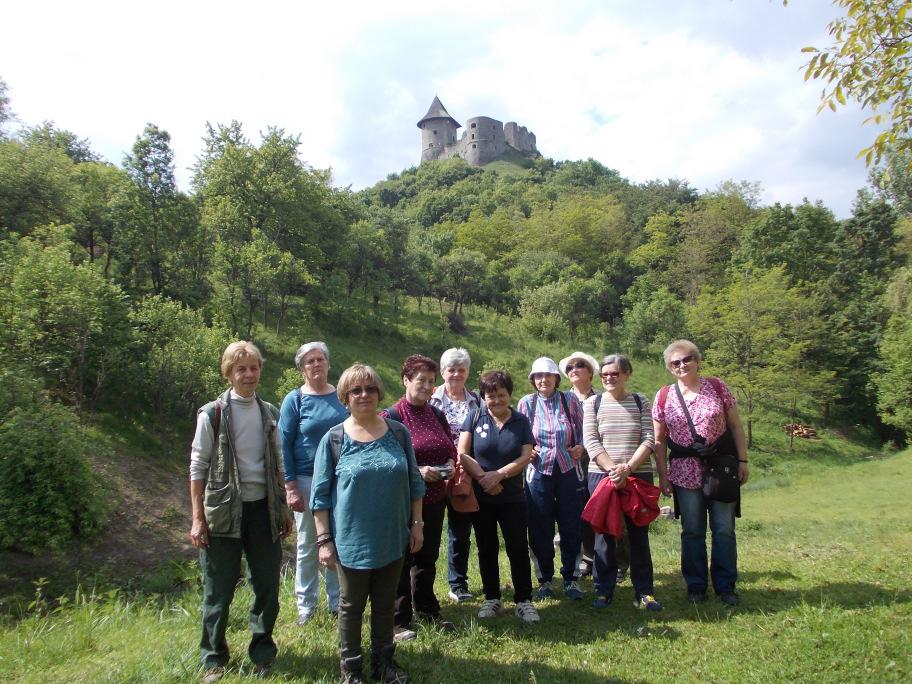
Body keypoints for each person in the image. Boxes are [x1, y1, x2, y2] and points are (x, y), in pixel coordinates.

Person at [311, 364, 425, 684]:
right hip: (351, 541)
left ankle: (383, 663)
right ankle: (351, 670)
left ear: (379, 393)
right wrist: (324, 540)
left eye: (370, 389)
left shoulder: (398, 433)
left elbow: (414, 482)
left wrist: (416, 524)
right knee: (351, 606)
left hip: (392, 536)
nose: (364, 395)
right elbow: (319, 497)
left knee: (385, 603)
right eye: (356, 391)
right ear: (345, 397)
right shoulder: (333, 439)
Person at [189, 341, 293, 683]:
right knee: (217, 589)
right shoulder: (212, 414)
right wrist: (196, 518)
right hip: (222, 514)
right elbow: (198, 468)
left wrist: (284, 506)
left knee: (266, 586)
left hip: (263, 511)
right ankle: (213, 657)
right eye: (241, 369)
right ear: (229, 373)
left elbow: (278, 463)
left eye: (254, 368)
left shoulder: (271, 413)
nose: (248, 375)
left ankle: (262, 652)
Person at [652, 340, 749, 606]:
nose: (682, 365)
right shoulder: (663, 397)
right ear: (670, 368)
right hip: (684, 472)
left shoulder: (717, 387)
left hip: (719, 468)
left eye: (686, 360)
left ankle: (725, 586)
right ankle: (695, 586)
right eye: (675, 363)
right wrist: (662, 476)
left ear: (697, 360)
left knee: (723, 528)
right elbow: (659, 441)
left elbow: (736, 427)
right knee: (692, 530)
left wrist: (743, 460)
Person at [381, 354, 458, 640]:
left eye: (431, 381)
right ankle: (398, 620)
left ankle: (427, 610)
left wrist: (450, 463)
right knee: (401, 559)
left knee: (427, 557)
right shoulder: (391, 417)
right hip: (402, 501)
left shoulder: (436, 413)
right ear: (405, 380)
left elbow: (450, 446)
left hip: (435, 498)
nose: (426, 386)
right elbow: (384, 461)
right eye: (420, 380)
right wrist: (418, 470)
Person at [456, 370, 539, 624]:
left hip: (512, 496)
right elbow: (463, 452)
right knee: (486, 547)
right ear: (483, 397)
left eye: (501, 395)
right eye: (491, 396)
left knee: (517, 547)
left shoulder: (521, 421)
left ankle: (524, 600)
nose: (497, 400)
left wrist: (499, 475)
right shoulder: (474, 417)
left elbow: (526, 455)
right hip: (482, 497)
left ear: (509, 395)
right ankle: (492, 597)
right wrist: (484, 478)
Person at [582, 354, 661, 611]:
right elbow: (591, 441)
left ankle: (644, 592)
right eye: (604, 375)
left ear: (627, 374)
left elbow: (649, 438)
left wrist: (627, 468)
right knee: (604, 535)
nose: (608, 378)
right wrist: (613, 470)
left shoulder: (640, 401)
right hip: (602, 475)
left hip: (637, 474)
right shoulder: (592, 403)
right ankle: (603, 591)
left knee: (638, 534)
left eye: (614, 374)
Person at [279, 341, 347, 625]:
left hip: (341, 478)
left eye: (320, 359)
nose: (316, 365)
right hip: (307, 480)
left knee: (338, 541)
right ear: (301, 368)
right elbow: (283, 442)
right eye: (310, 361)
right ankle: (305, 606)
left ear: (328, 363)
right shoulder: (294, 400)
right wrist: (290, 485)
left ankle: (337, 602)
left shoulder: (341, 395)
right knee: (308, 544)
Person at [517, 357, 586, 601]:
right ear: (533, 380)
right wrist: (528, 449)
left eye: (548, 375)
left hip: (568, 470)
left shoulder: (570, 400)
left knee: (571, 525)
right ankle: (545, 579)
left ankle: (571, 578)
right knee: (538, 527)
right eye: (538, 376)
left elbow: (585, 430)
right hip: (538, 472)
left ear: (557, 378)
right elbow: (520, 435)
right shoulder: (527, 403)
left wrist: (581, 447)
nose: (543, 380)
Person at [429, 347, 481, 603]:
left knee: (460, 531)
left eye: (461, 370)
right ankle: (424, 586)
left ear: (468, 372)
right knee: (430, 531)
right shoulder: (430, 400)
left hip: (465, 475)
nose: (456, 374)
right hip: (434, 474)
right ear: (442, 372)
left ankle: (457, 583)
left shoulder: (477, 401)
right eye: (451, 370)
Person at [558, 351, 601, 580]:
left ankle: (613, 560)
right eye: (569, 367)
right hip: (571, 463)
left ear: (591, 371)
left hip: (598, 462)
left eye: (579, 365)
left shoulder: (603, 397)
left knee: (601, 511)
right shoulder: (562, 398)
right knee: (578, 513)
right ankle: (586, 560)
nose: (574, 369)